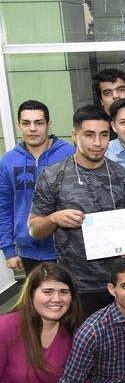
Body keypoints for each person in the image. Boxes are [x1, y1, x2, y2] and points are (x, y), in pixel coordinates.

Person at [28, 105, 125, 317]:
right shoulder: (53, 175)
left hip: (120, 285)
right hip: (76, 285)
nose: (97, 143)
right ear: (75, 135)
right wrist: (54, 218)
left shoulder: (124, 177)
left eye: (103, 135)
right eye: (89, 135)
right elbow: (35, 230)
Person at [0, 100, 74, 274]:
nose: (32, 128)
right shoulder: (8, 161)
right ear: (18, 125)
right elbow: (4, 207)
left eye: (38, 123)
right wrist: (8, 250)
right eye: (26, 123)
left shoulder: (70, 155)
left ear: (48, 125)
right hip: (28, 251)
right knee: (36, 299)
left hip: (68, 248)